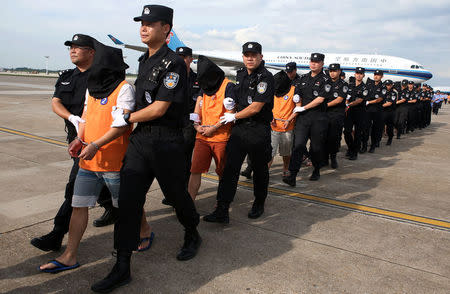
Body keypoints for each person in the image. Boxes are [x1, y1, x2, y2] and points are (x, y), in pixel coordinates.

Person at [91, 5, 201, 292]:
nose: (144, 27)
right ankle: (122, 265)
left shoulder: (174, 63)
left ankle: (192, 232)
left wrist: (126, 117)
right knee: (128, 202)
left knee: (177, 197)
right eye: (142, 22)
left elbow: (160, 107)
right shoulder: (144, 61)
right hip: (142, 140)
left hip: (168, 141)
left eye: (151, 23)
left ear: (166, 29)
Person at [39, 42, 134, 273]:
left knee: (126, 209)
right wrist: (80, 140)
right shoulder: (93, 88)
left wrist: (95, 144)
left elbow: (121, 126)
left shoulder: (124, 88)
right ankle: (70, 255)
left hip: (114, 161)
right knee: (79, 205)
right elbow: (86, 116)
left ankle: (140, 233)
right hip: (88, 160)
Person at [30, 34, 118, 253]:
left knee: (74, 188)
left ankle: (56, 234)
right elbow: (56, 102)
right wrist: (72, 118)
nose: (73, 50)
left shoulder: (102, 76)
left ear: (92, 52)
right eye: (71, 47)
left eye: (79, 47)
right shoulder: (67, 76)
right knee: (98, 184)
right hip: (76, 140)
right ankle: (114, 209)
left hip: (97, 140)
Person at [203, 41, 274, 223]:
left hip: (258, 129)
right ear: (243, 57)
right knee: (230, 169)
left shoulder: (265, 77)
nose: (250, 58)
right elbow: (238, 95)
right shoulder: (241, 74)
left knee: (259, 169)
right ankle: (222, 209)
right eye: (246, 55)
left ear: (261, 57)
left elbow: (256, 107)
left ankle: (259, 202)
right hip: (240, 129)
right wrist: (230, 102)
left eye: (253, 55)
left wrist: (233, 116)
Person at [188, 55, 235, 199]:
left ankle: (222, 202)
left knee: (222, 172)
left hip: (221, 137)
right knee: (195, 170)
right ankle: (189, 204)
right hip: (202, 136)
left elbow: (230, 113)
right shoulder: (205, 86)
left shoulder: (228, 86)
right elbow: (198, 106)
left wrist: (213, 128)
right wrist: (196, 125)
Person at [161, 46, 200, 206]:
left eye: (185, 57)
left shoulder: (198, 79)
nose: (182, 60)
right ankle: (173, 191)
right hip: (171, 123)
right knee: (169, 160)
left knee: (184, 160)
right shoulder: (170, 77)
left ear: (191, 59)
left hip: (188, 125)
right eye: (179, 57)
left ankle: (181, 192)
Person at [282, 53, 329, 186]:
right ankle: (292, 175)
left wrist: (304, 107)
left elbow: (320, 99)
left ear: (322, 64)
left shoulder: (326, 80)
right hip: (303, 119)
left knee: (316, 147)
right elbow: (297, 93)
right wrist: (297, 101)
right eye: (312, 61)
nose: (313, 63)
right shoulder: (303, 78)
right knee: (298, 146)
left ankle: (316, 169)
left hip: (318, 118)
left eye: (317, 62)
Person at [268, 70, 296, 178]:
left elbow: (298, 107)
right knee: (270, 152)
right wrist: (270, 117)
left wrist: (289, 119)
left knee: (286, 152)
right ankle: (266, 172)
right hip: (273, 127)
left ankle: (285, 168)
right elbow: (267, 105)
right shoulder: (273, 90)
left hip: (287, 127)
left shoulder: (293, 91)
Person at [324, 63, 348, 168]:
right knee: (323, 136)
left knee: (334, 137)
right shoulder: (325, 82)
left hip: (336, 114)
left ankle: (333, 158)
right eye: (330, 71)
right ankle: (324, 158)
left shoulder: (343, 84)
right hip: (324, 114)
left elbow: (339, 100)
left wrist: (324, 105)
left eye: (334, 71)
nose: (332, 73)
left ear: (339, 72)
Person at [343, 67, 368, 160]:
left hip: (360, 112)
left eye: (361, 73)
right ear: (354, 74)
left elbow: (360, 100)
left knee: (357, 133)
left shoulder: (365, 87)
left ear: (363, 75)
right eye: (357, 73)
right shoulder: (350, 86)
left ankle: (354, 153)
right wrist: (346, 103)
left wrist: (349, 104)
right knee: (346, 132)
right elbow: (346, 97)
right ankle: (350, 147)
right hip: (349, 112)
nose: (358, 75)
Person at [362, 70, 385, 153]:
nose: (376, 76)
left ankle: (373, 146)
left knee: (375, 129)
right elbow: (364, 95)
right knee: (365, 129)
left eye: (378, 75)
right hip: (367, 110)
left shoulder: (383, 87)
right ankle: (364, 146)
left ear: (382, 76)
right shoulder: (369, 85)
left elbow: (380, 99)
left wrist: (369, 102)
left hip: (377, 111)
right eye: (375, 75)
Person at [381, 80, 397, 145]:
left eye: (388, 85)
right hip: (382, 111)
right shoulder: (382, 92)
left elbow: (389, 103)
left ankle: (390, 138)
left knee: (389, 127)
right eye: (386, 85)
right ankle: (377, 141)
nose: (387, 86)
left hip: (390, 112)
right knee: (380, 126)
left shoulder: (393, 93)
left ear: (391, 85)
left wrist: (379, 106)